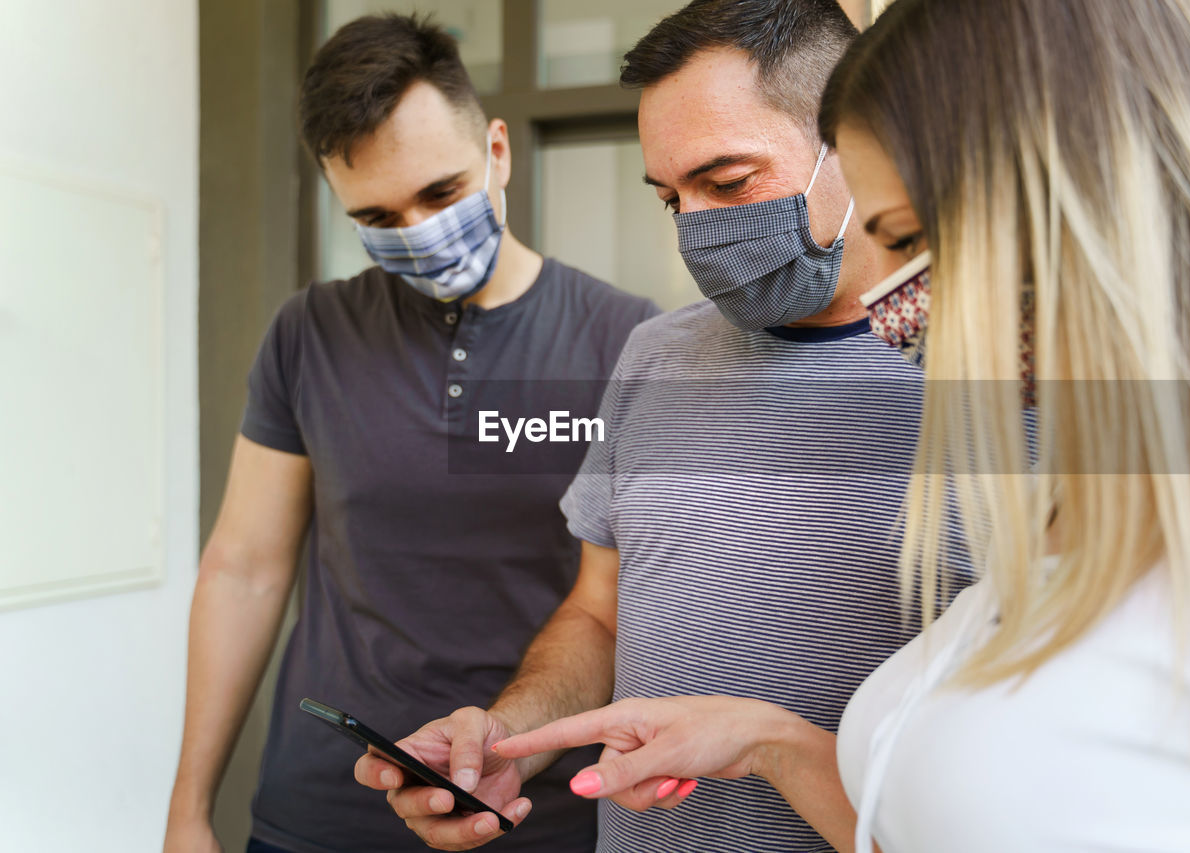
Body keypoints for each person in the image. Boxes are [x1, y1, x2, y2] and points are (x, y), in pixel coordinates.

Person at [491, 0, 1190, 851]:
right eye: (669, 197)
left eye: (903, 238)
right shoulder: (1084, 508)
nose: (895, 300)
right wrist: (767, 743)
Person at [353, 2, 971, 851]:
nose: (698, 229)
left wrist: (776, 748)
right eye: (671, 196)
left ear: (856, 142)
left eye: (727, 182)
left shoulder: (1014, 385)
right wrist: (508, 740)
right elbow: (598, 614)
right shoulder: (655, 354)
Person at [162, 14, 659, 853]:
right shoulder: (309, 332)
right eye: (379, 215)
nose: (419, 233)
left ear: (498, 150)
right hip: (324, 812)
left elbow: (623, 607)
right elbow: (243, 571)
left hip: (536, 809)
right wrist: (188, 811)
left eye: (440, 193)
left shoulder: (624, 341)